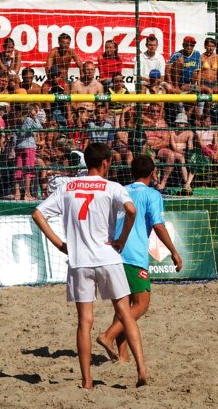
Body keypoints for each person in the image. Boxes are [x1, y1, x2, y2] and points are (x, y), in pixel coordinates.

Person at [31, 142, 148, 388]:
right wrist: (122, 239)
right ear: (105, 163)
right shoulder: (112, 187)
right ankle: (141, 371)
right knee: (125, 314)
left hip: (80, 261)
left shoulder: (68, 187)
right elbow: (131, 210)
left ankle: (86, 381)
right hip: (108, 257)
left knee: (85, 321)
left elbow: (37, 214)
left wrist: (59, 244)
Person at [97, 154, 183, 362]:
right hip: (133, 255)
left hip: (113, 253)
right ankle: (108, 335)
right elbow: (158, 225)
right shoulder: (152, 194)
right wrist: (174, 251)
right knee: (141, 304)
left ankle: (123, 355)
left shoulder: (120, 190)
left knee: (123, 305)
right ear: (153, 173)